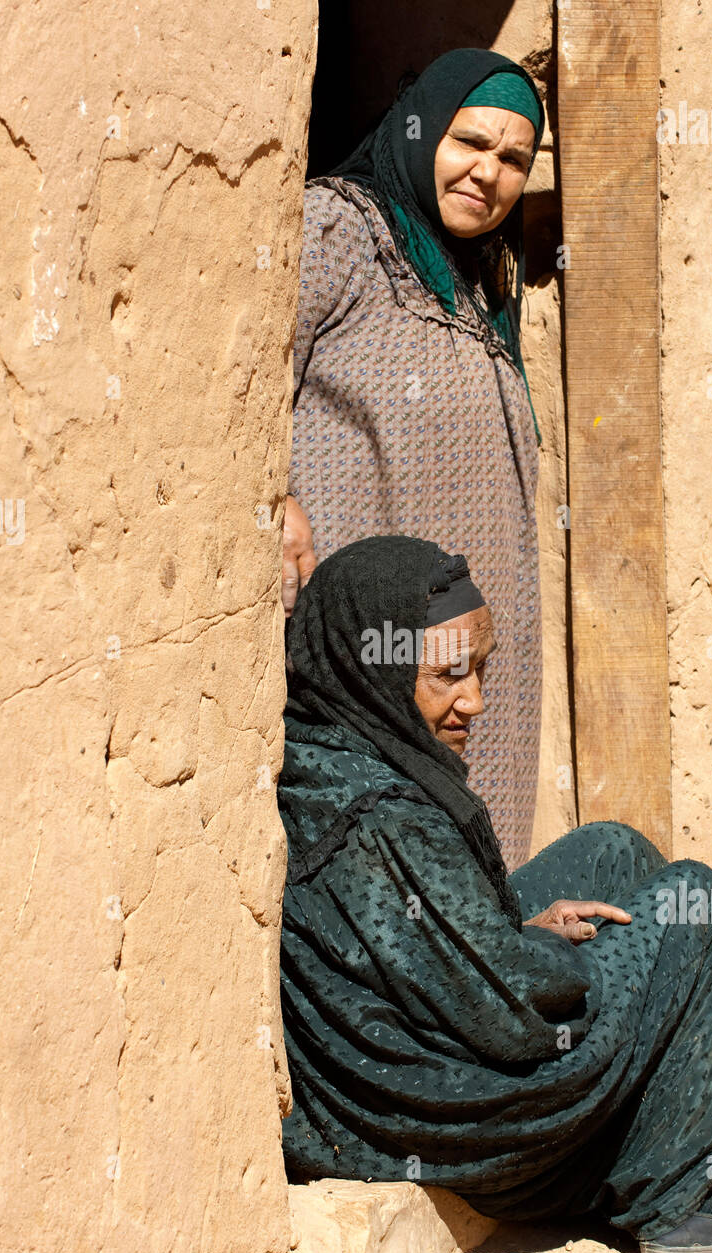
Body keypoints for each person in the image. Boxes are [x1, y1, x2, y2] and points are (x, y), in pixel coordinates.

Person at [277, 535, 712, 1253]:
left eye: (482, 669)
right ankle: (673, 1202)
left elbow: (418, 942)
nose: (475, 700)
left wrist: (513, 930)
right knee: (702, 905)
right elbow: (512, 1015)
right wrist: (548, 950)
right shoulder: (380, 820)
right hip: (445, 1107)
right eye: (447, 676)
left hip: (423, 1044)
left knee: (613, 849)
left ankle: (673, 1122)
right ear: (373, 667)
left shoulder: (332, 741)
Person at [284, 47, 547, 869]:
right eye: (469, 142)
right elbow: (244, 376)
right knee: (378, 837)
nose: (488, 173)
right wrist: (273, 498)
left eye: (514, 159)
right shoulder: (339, 227)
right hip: (374, 630)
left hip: (473, 633)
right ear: (421, 127)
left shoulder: (480, 281)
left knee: (472, 845)